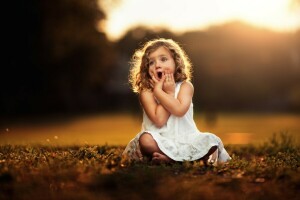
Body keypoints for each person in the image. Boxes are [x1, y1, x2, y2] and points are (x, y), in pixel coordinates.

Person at [123, 38, 231, 165]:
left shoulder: (186, 86)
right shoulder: (146, 92)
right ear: (146, 69)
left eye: (163, 59)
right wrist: (164, 92)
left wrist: (169, 92)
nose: (157, 65)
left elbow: (179, 110)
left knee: (211, 140)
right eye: (151, 62)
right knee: (145, 140)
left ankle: (170, 159)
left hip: (186, 138)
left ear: (176, 62)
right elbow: (159, 120)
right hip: (159, 140)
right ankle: (185, 159)